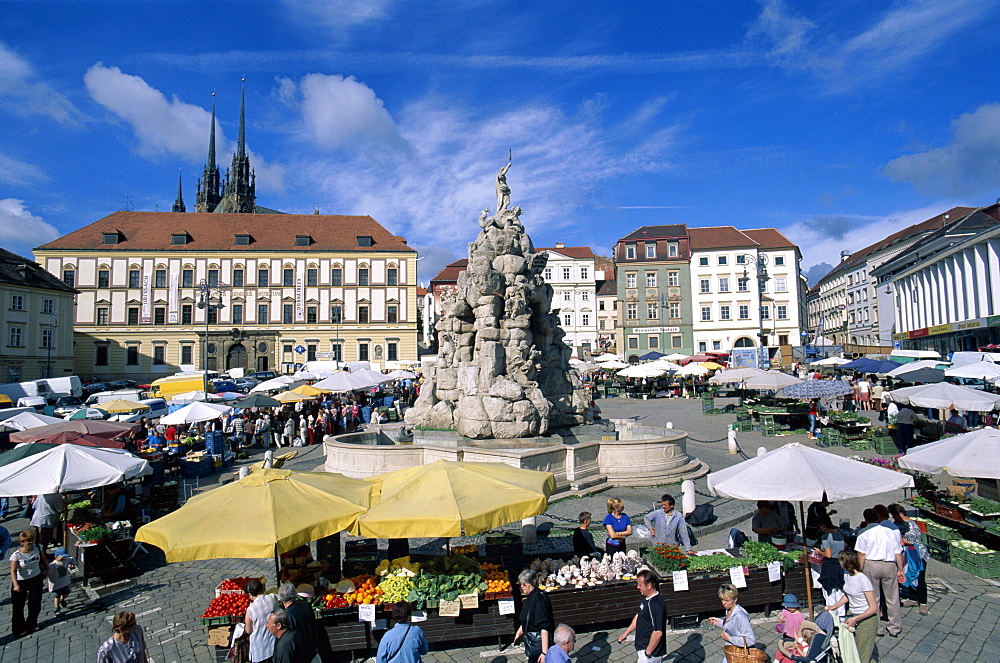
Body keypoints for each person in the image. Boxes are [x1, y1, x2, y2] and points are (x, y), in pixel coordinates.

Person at [854, 508, 904, 637]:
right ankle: (895, 626)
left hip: (871, 564)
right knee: (892, 597)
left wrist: (859, 570)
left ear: (865, 519)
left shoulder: (863, 532)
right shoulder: (889, 531)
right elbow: (898, 552)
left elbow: (861, 554)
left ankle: (877, 626)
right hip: (889, 565)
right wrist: (900, 569)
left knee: (873, 597)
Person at [827, 550, 878, 663]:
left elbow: (874, 608)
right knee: (858, 650)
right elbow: (848, 594)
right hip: (855, 616)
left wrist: (855, 619)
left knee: (861, 655)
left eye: (840, 560)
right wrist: (834, 607)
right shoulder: (847, 575)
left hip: (866, 619)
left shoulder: (862, 579)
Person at [616, 569, 665, 663]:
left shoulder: (655, 605)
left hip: (651, 652)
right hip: (643, 647)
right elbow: (639, 615)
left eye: (640, 585)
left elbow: (658, 632)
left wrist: (648, 653)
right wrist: (626, 633)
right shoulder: (646, 598)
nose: (638, 587)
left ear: (649, 586)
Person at [888, 503, 929, 616]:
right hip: (904, 556)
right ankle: (913, 598)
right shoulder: (897, 523)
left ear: (900, 514)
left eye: (894, 515)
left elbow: (911, 541)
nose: (893, 518)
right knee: (906, 576)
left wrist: (897, 538)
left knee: (919, 578)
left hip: (917, 556)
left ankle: (923, 603)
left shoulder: (911, 525)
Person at [9, 529, 47, 636]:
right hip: (21, 581)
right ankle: (19, 628)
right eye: (27, 541)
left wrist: (47, 569)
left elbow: (43, 559)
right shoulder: (16, 555)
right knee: (18, 606)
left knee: (35, 602)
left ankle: (31, 623)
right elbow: (12, 571)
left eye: (32, 540)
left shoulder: (37, 548)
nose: (30, 542)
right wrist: (15, 584)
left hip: (35, 578)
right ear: (22, 542)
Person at [513, 570, 554, 663]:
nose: (521, 587)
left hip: (538, 647)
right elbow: (527, 618)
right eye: (520, 584)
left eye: (524, 584)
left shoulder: (539, 600)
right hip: (533, 645)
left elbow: (544, 627)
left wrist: (544, 653)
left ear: (533, 583)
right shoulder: (531, 596)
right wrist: (519, 633)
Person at [707, 583, 755, 662]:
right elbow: (733, 627)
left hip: (739, 653)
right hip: (732, 651)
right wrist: (719, 622)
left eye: (727, 600)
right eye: (722, 599)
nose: (724, 603)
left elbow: (750, 640)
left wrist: (729, 638)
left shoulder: (740, 616)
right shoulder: (729, 610)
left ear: (735, 599)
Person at [278, 582, 318, 659]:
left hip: (301, 654)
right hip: (311, 648)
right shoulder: (305, 605)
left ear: (280, 598)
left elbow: (292, 639)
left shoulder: (288, 616)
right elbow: (314, 627)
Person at [245, 578, 279, 663]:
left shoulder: (251, 609)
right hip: (273, 644)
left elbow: (248, 630)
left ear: (250, 594)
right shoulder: (272, 598)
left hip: (259, 648)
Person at [47, 546, 75, 616]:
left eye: (64, 556)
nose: (63, 558)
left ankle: (62, 599)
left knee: (66, 593)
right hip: (56, 584)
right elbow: (47, 573)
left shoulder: (66, 560)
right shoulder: (52, 565)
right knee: (57, 596)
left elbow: (72, 559)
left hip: (65, 582)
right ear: (56, 556)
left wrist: (73, 564)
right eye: (61, 557)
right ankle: (57, 608)